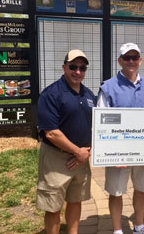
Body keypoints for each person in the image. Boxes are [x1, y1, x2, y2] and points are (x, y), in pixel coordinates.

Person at [97, 43, 144, 234]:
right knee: (116, 191)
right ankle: (117, 230)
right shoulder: (108, 87)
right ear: (120, 61)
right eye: (127, 58)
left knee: (142, 188)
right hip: (119, 152)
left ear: (140, 60)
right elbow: (102, 122)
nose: (131, 61)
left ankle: (139, 226)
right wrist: (113, 153)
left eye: (135, 57)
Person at [36, 49, 96, 234]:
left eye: (82, 68)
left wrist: (85, 152)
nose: (78, 72)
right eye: (73, 67)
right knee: (53, 206)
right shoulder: (51, 94)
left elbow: (95, 126)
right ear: (64, 67)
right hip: (56, 158)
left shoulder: (88, 95)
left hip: (81, 159)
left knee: (75, 200)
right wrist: (78, 152)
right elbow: (52, 133)